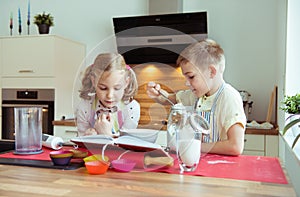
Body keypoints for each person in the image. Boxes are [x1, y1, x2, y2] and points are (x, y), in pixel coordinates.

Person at [147, 39, 246, 156]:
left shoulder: (229, 97)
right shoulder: (195, 95)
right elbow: (168, 98)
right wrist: (157, 93)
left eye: (191, 77)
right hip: (197, 162)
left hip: (220, 168)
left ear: (211, 72)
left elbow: (235, 146)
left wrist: (191, 145)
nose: (187, 83)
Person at [76, 53, 140, 137]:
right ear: (94, 81)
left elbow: (126, 144)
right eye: (103, 88)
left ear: (126, 83)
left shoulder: (131, 108)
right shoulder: (85, 107)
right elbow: (80, 141)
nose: (110, 95)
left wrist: (105, 135)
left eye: (117, 88)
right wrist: (87, 137)